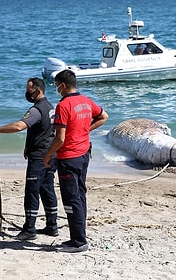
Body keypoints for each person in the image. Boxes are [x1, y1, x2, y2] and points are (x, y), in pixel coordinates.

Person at [0, 77, 59, 241]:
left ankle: (29, 229)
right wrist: (27, 147)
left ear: (38, 91)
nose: (27, 93)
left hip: (39, 157)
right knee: (47, 189)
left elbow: (19, 126)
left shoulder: (36, 110)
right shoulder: (51, 108)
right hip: (50, 154)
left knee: (32, 191)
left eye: (29, 90)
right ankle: (52, 226)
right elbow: (44, 131)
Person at [44, 70, 108, 253]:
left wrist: (48, 154)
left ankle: (79, 241)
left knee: (72, 199)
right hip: (83, 154)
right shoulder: (86, 101)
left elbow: (60, 139)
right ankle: (78, 236)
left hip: (69, 157)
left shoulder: (63, 105)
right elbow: (104, 116)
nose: (56, 88)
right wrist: (85, 130)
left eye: (56, 85)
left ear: (62, 85)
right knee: (80, 195)